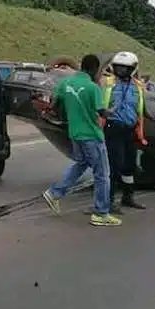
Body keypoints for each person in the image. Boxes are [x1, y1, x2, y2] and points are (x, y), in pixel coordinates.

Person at [42, 54, 121, 227]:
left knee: (81, 163)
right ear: (93, 69)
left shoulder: (65, 84)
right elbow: (101, 112)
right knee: (102, 175)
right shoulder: (92, 88)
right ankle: (101, 213)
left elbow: (55, 104)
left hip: (75, 134)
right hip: (92, 135)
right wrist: (113, 111)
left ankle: (54, 193)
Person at [103, 51, 147, 213]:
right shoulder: (107, 83)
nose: (121, 71)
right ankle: (109, 201)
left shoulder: (138, 86)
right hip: (113, 128)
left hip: (131, 130)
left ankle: (128, 197)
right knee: (115, 166)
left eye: (125, 68)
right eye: (118, 67)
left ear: (133, 69)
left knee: (130, 166)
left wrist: (154, 118)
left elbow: (141, 107)